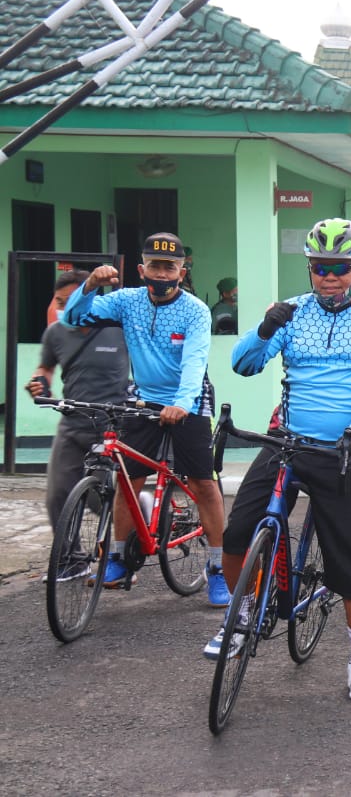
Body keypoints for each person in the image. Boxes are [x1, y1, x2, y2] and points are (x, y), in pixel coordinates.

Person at [208, 218, 351, 702]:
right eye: (320, 268)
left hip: (347, 450)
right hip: (288, 442)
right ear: (311, 269)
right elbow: (243, 364)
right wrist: (262, 330)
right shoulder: (292, 313)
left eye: (339, 268)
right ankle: (240, 617)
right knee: (237, 534)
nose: (329, 277)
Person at [62, 233, 227, 604]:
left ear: (182, 273)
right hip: (145, 399)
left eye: (170, 266)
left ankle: (218, 569)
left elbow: (195, 361)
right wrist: (89, 285)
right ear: (142, 269)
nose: (162, 272)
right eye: (155, 265)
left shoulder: (195, 311)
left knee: (203, 484)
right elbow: (74, 317)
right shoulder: (127, 302)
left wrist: (183, 403)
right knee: (128, 480)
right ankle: (119, 557)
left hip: (190, 399)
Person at [26, 271, 130, 576]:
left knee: (101, 497)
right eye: (59, 301)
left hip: (113, 425)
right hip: (72, 424)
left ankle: (127, 550)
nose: (62, 307)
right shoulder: (55, 333)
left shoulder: (118, 329)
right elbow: (45, 368)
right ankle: (71, 561)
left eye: (69, 301)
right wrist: (38, 383)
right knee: (58, 495)